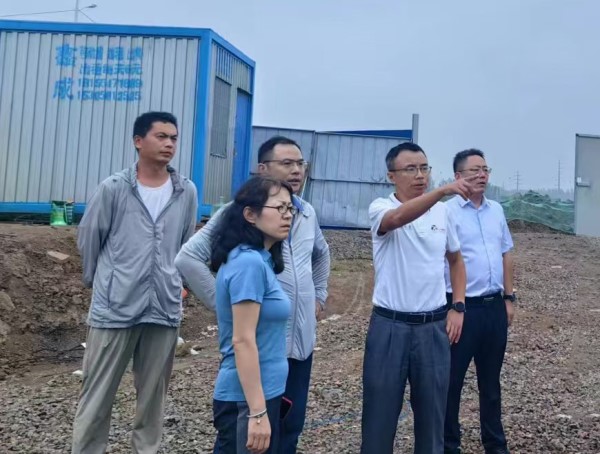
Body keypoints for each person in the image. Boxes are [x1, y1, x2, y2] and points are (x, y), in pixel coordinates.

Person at [176, 136, 330, 453]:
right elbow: (188, 259)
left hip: (297, 347)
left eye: (300, 163)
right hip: (257, 353)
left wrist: (319, 296)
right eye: (286, 163)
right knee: (251, 437)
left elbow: (322, 254)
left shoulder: (305, 213)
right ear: (262, 169)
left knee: (288, 431)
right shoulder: (241, 217)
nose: (296, 170)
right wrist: (227, 307)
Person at [72, 111, 198, 454]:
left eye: (174, 138)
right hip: (115, 308)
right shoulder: (114, 188)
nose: (169, 144)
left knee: (153, 400)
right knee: (97, 395)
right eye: (161, 136)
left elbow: (186, 244)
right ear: (138, 141)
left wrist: (178, 281)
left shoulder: (185, 191)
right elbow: (90, 238)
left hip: (163, 308)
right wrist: (101, 284)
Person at [362, 142, 478, 454]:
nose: (420, 175)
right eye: (410, 169)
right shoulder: (380, 208)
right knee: (379, 419)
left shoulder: (443, 212)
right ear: (391, 175)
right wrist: (442, 191)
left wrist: (458, 306)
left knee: (432, 420)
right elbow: (396, 220)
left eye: (424, 168)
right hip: (390, 327)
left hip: (432, 329)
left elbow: (456, 260)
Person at [211, 176, 295, 454]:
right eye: (279, 208)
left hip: (263, 392)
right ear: (250, 214)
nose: (288, 215)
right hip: (245, 400)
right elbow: (242, 340)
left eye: (290, 208)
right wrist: (257, 413)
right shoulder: (248, 263)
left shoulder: (261, 260)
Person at [444, 149, 515, 454]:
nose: (482, 175)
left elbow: (506, 253)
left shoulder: (495, 210)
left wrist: (509, 297)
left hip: (493, 307)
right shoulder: (446, 212)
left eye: (485, 169)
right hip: (462, 309)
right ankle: (448, 445)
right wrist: (453, 306)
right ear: (458, 176)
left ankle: (495, 445)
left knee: (491, 383)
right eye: (474, 170)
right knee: (451, 383)